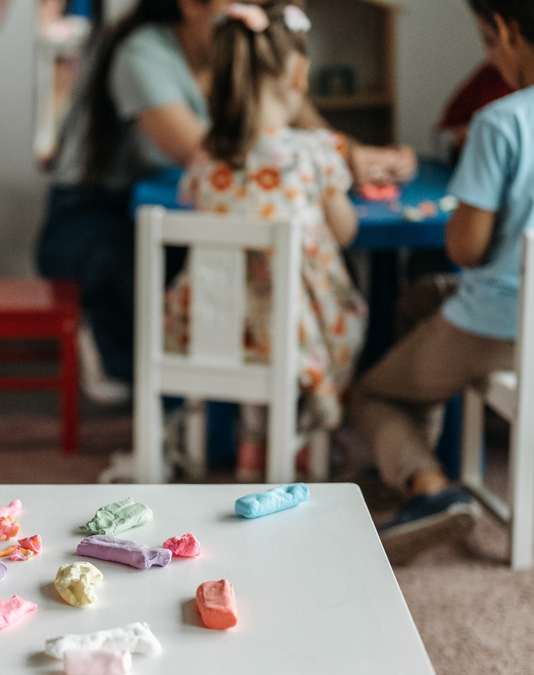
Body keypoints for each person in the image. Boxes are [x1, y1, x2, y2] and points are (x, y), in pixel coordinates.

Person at [36, 0, 412, 401]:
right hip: (91, 211)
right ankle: (119, 354)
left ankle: (253, 405)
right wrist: (326, 158)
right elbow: (211, 155)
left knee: (251, 277)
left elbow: (296, 115)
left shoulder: (248, 51)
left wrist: (360, 156)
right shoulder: (142, 53)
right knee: (168, 283)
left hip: (171, 204)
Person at [349, 0, 534, 564]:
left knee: (371, 393)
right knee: (420, 300)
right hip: (518, 313)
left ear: (502, 30)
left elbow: (466, 248)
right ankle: (405, 463)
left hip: (501, 322)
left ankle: (430, 489)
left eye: (484, 39)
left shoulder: (501, 120)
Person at [165, 1, 366, 479]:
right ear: (299, 73)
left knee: (254, 316)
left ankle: (252, 439)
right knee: (346, 316)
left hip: (213, 327)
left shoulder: (205, 157)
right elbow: (345, 231)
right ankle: (299, 431)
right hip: (297, 333)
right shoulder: (316, 152)